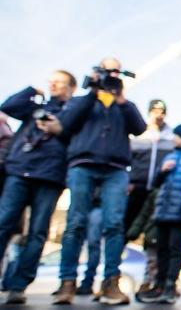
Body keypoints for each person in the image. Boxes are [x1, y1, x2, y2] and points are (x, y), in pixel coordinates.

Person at [41, 58, 147, 305]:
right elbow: (66, 123)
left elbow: (139, 128)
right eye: (106, 70)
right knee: (75, 223)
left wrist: (121, 100)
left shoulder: (123, 105)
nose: (110, 75)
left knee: (114, 225)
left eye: (115, 71)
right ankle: (67, 282)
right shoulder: (82, 101)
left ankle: (111, 282)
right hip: (83, 165)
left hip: (116, 169)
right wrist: (93, 92)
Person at [0, 70, 76, 304]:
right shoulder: (35, 107)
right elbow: (8, 107)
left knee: (37, 232)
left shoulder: (74, 112)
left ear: (71, 88)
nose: (54, 85)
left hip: (51, 176)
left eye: (60, 82)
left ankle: (18, 284)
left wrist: (59, 129)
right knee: (3, 223)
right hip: (20, 170)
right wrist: (33, 90)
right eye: (52, 81)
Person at [138, 123, 181, 304]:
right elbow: (155, 183)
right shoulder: (171, 155)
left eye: (176, 135)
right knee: (162, 249)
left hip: (180, 211)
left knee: (175, 250)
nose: (173, 138)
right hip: (163, 210)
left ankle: (170, 286)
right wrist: (162, 171)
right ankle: (158, 285)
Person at [127, 100, 174, 244]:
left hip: (157, 191)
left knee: (152, 232)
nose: (159, 115)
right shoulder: (138, 134)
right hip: (136, 188)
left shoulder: (171, 138)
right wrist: (129, 181)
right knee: (127, 225)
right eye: (155, 111)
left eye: (162, 112)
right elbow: (126, 160)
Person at [126, 188, 159, 302]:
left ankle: (161, 286)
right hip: (152, 234)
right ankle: (147, 284)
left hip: (168, 235)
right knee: (151, 262)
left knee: (160, 263)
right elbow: (144, 215)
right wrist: (134, 230)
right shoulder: (155, 194)